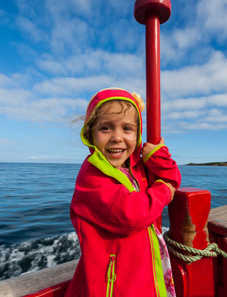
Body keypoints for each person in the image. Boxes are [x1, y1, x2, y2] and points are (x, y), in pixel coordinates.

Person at [65, 88, 181, 297]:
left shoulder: (136, 168)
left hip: (144, 277)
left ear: (137, 135)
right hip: (114, 287)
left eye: (127, 128)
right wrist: (164, 190)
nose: (117, 137)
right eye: (106, 128)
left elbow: (173, 178)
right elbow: (132, 215)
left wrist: (158, 157)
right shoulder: (92, 177)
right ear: (91, 133)